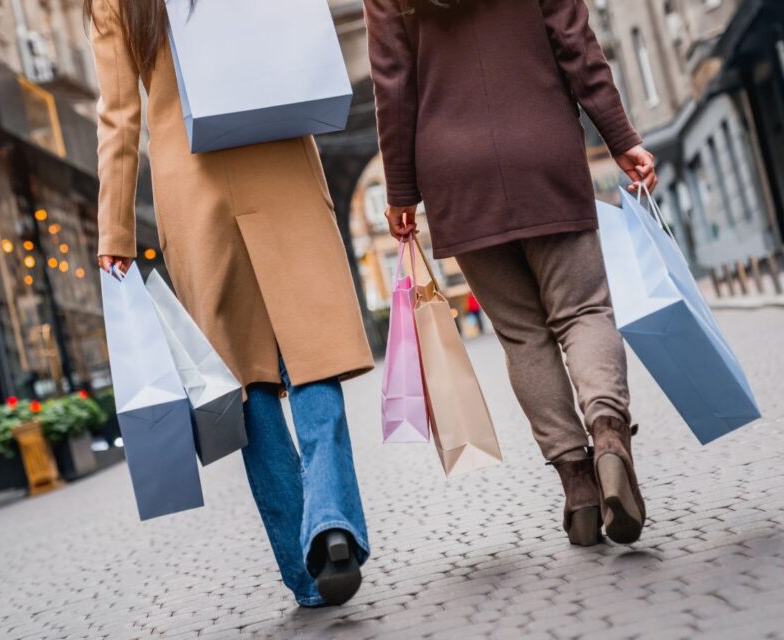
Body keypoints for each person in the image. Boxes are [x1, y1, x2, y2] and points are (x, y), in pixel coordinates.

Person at [87, 0, 373, 606]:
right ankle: (331, 518)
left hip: (192, 186)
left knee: (245, 380)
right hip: (277, 149)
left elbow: (118, 114)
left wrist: (114, 231)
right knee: (313, 348)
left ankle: (308, 572)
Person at [366, 0, 657, 546]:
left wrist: (401, 191)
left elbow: (392, 82)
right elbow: (576, 42)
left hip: (456, 172)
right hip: (541, 147)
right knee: (584, 310)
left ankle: (577, 486)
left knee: (524, 337)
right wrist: (620, 137)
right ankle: (609, 435)